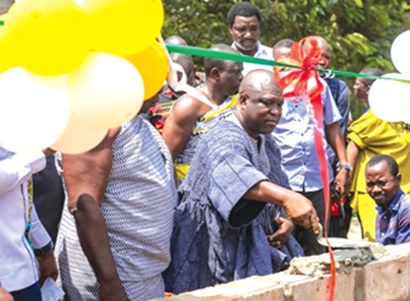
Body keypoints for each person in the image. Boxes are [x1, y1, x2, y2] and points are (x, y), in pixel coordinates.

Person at [163, 70, 318, 294]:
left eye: (279, 105)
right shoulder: (223, 136)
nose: (275, 112)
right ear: (243, 101)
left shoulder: (266, 141)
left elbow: (278, 184)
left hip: (250, 242)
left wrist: (287, 220)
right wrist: (289, 198)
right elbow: (237, 175)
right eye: (267, 103)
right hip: (206, 248)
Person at [55, 95, 177, 301]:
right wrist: (110, 284)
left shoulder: (131, 120)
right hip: (112, 279)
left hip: (141, 273)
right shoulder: (96, 123)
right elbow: (84, 206)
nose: (159, 94)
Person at [272, 36, 351, 255]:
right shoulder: (273, 88)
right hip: (283, 179)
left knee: (319, 244)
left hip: (317, 179)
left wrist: (344, 166)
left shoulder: (320, 86)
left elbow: (333, 128)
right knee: (282, 242)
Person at [347, 68, 410, 241]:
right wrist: (345, 173)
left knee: (403, 246)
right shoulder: (382, 112)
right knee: (377, 245)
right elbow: (354, 141)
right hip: (376, 190)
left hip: (405, 191)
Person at [162, 44, 243, 181]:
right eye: (236, 72)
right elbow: (166, 159)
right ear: (216, 74)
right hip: (191, 191)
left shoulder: (239, 100)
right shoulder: (189, 106)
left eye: (241, 71)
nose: (241, 77)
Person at [0, 147, 58, 301]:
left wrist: (44, 248)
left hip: (22, 274)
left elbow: (22, 199)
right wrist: (39, 153)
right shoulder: (27, 157)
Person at [366, 155, 410, 245]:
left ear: (398, 179)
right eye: (370, 184)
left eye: (382, 183)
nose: (375, 189)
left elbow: (406, 256)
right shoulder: (383, 208)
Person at [227, 2, 273, 74]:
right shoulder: (224, 60)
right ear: (230, 29)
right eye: (241, 29)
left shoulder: (274, 57)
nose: (248, 35)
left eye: (253, 29)